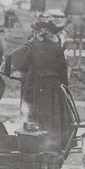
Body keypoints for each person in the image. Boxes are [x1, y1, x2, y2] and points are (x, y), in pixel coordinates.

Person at [21, 20, 72, 152]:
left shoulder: (33, 48)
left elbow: (25, 67)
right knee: (53, 115)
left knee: (38, 114)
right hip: (54, 87)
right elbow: (63, 71)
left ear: (39, 34)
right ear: (51, 35)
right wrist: (65, 88)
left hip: (38, 86)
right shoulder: (58, 49)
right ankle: (53, 146)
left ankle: (37, 145)